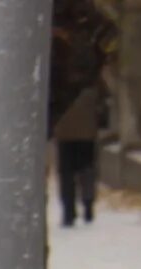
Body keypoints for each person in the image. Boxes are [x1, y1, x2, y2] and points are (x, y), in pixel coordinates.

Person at [53, 80, 104, 227]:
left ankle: (68, 211)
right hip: (86, 132)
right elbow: (104, 101)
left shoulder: (60, 76)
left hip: (64, 132)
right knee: (87, 171)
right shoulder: (92, 79)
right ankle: (87, 206)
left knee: (66, 174)